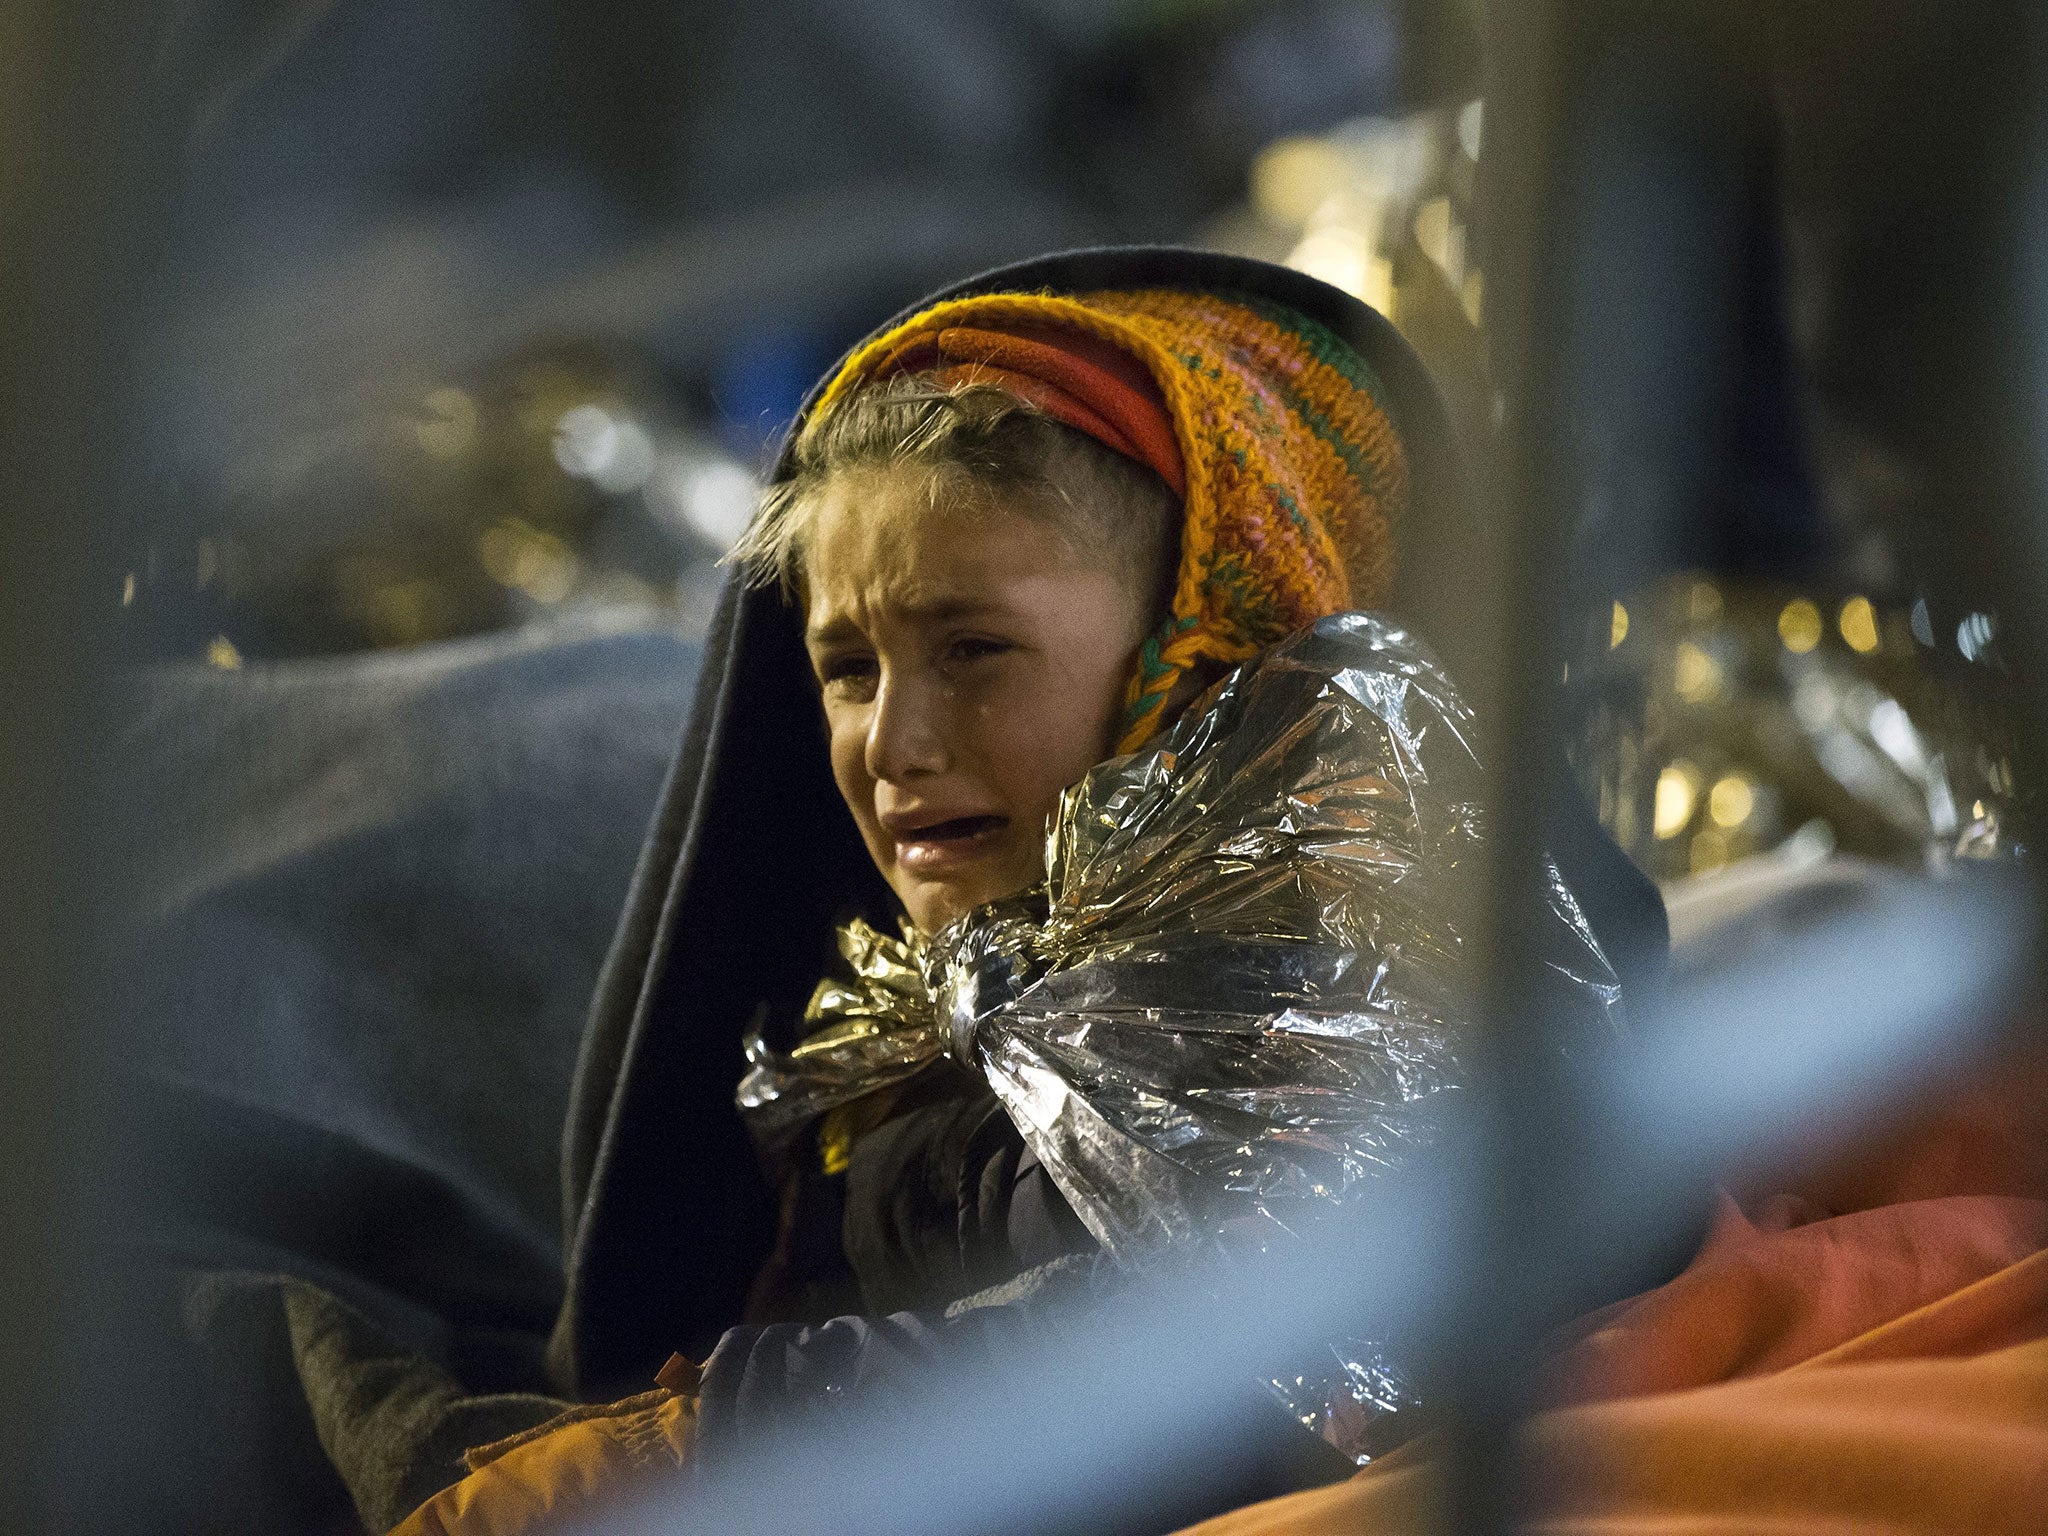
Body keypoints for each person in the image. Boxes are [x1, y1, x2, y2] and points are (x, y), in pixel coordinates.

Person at [389, 249, 1668, 1534]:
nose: (891, 746)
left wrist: (697, 1446)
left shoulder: (1352, 991)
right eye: (846, 668)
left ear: (1213, 645)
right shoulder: (904, 1023)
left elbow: (1224, 1354)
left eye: (973, 649)